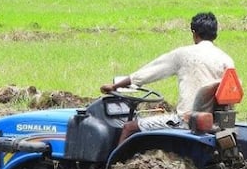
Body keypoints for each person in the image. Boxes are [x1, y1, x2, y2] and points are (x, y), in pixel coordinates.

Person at [100, 12, 235, 144]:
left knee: (128, 127)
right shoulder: (226, 59)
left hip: (185, 120)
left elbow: (147, 73)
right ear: (215, 34)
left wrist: (114, 86)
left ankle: (115, 166)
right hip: (214, 122)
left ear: (194, 33)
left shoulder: (184, 54)